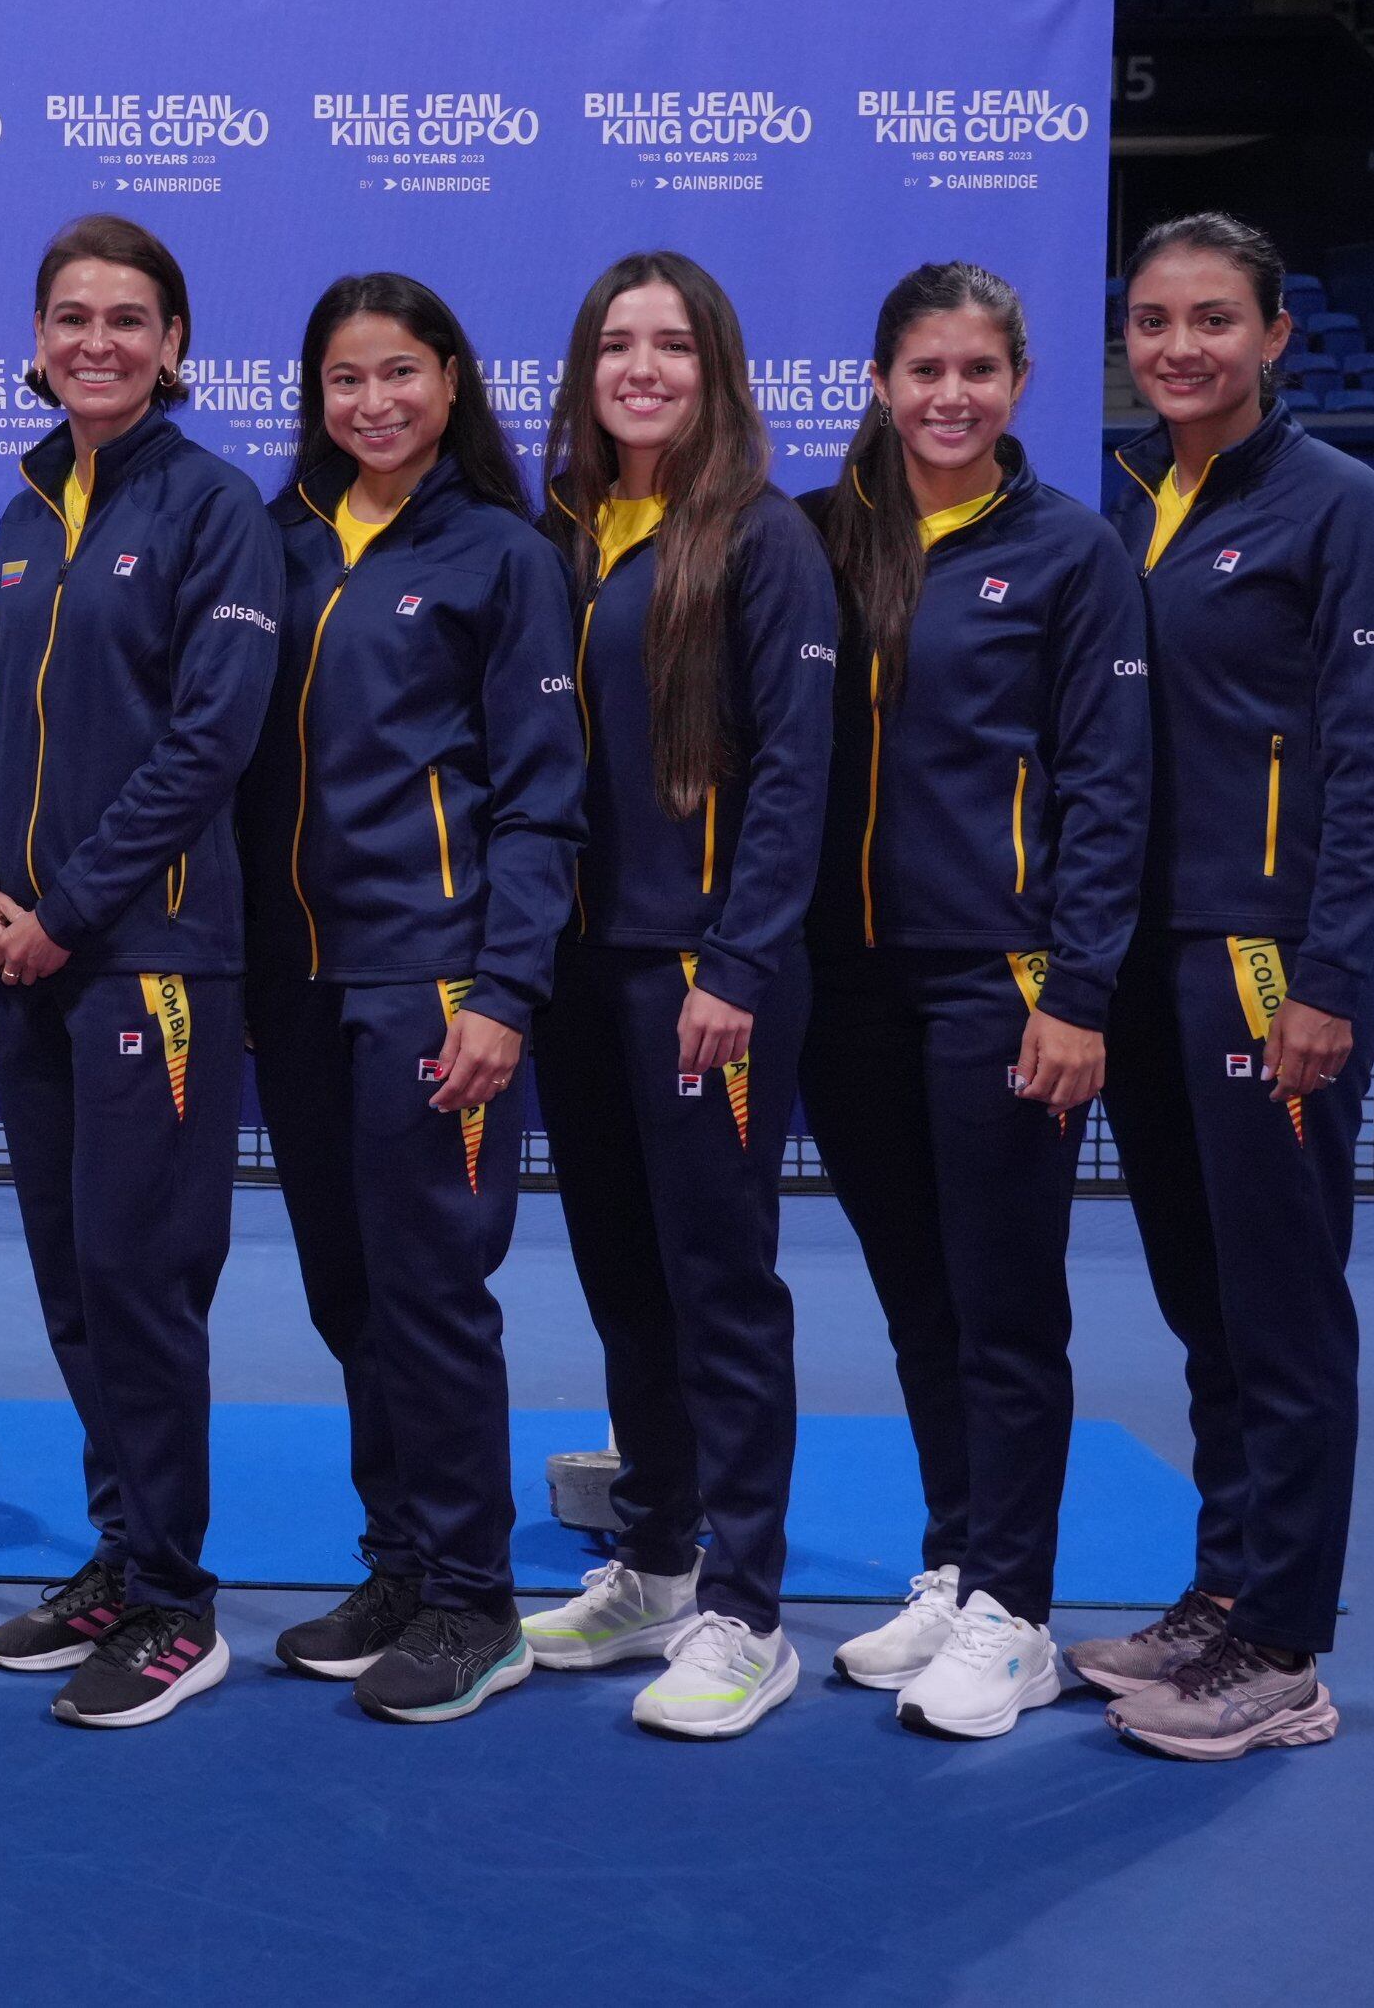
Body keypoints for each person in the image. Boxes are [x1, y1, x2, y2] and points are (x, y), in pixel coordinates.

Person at [1073, 212, 1374, 1760]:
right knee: (1203, 1304)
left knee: (1283, 1313)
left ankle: (1286, 1646)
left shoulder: (1345, 513)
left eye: (1214, 320)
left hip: (1265, 958)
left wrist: (1327, 977)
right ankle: (1221, 1595)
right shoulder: (1122, 492)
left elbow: (1365, 764)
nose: (1181, 348)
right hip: (1134, 958)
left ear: (1276, 337)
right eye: (1154, 322)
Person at [795, 264, 1153, 1741]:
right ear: (879, 381)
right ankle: (956, 1564)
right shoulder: (817, 540)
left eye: (981, 371)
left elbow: (1109, 784)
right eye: (926, 369)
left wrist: (1078, 991)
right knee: (919, 1296)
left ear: (1018, 385)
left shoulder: (1070, 554)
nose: (952, 395)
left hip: (1000, 987)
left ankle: (1019, 1610)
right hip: (844, 991)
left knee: (1007, 1309)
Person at [0, 213, 284, 1732]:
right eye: (72, 317)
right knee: (78, 1282)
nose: (98, 342)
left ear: (173, 348)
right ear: (35, 342)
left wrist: (65, 909)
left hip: (147, 961)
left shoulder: (215, 509)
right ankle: (120, 1545)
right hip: (30, 961)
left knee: (145, 1285)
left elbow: (208, 744)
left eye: (129, 320)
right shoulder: (30, 508)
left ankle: (175, 1602)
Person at [236, 274, 582, 1727]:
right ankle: (400, 1563)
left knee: (435, 1293)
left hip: (433, 981)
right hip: (294, 987)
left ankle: (473, 1602)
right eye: (343, 382)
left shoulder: (504, 555)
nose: (371, 404)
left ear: (449, 380)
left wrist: (502, 990)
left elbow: (542, 799)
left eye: (398, 374)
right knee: (352, 1293)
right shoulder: (281, 546)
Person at [515, 250, 835, 1741]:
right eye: (616, 347)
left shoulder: (764, 542)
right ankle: (652, 1556)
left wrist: (737, 966)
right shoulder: (562, 534)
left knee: (721, 1289)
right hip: (577, 978)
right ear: (586, 374)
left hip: (708, 983)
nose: (642, 371)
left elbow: (791, 780)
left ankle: (746, 1609)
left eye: (672, 347)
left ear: (716, 369)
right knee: (624, 1284)